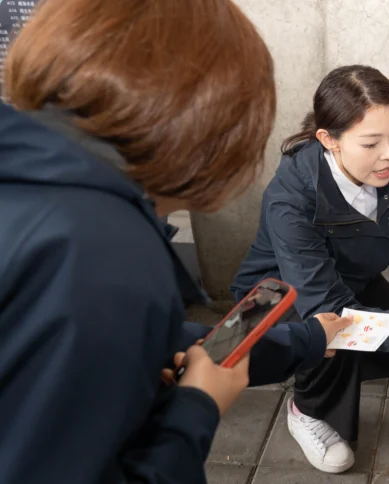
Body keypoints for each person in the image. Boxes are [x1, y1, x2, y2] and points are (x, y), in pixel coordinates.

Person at [0, 1, 352, 483]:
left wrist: (304, 341)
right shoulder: (103, 251)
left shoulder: (33, 186)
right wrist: (197, 409)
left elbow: (142, 337)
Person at [231, 64, 389, 474]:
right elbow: (326, 304)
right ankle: (307, 407)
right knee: (339, 331)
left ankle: (325, 366)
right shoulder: (291, 200)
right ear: (328, 140)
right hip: (274, 298)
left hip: (346, 280)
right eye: (371, 143)